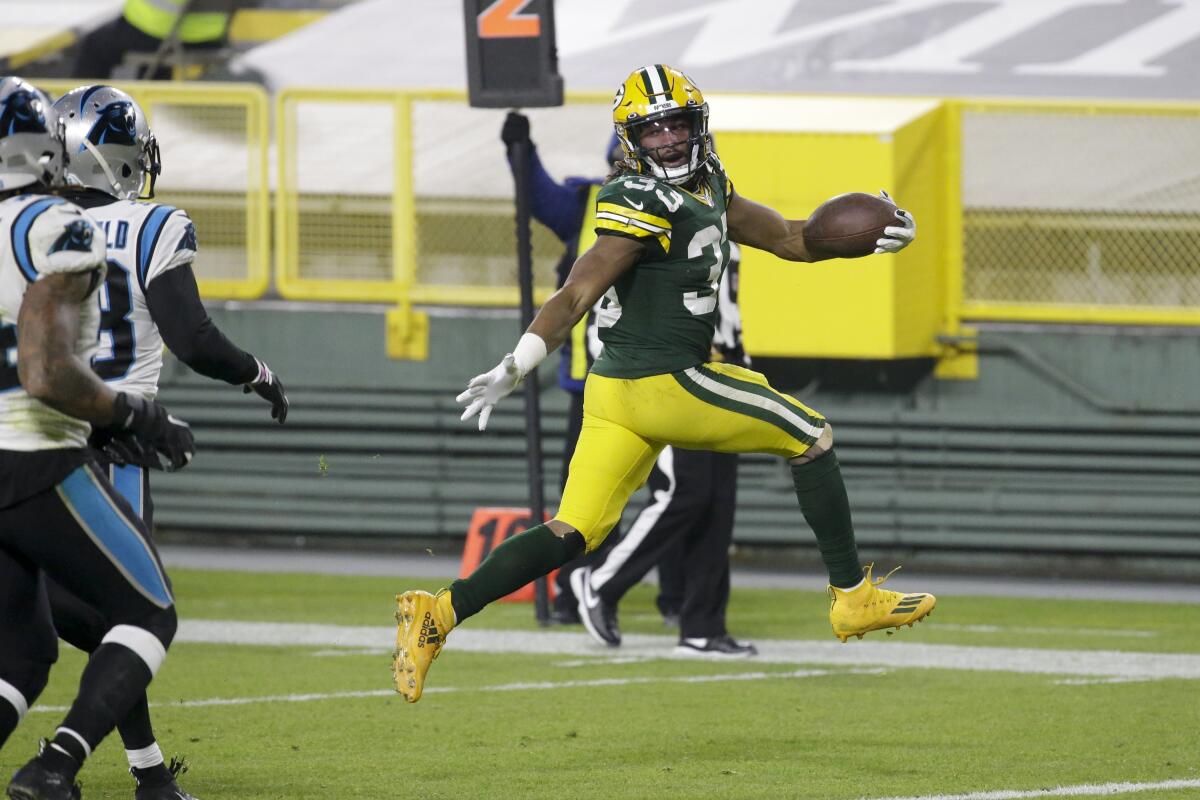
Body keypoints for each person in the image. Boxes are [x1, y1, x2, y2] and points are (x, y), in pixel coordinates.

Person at [393, 64, 933, 704]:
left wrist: (868, 239)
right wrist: (518, 362)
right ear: (630, 140)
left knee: (575, 532)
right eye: (653, 132)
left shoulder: (708, 183)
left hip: (615, 394)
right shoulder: (635, 199)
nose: (670, 141)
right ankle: (853, 599)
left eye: (677, 124)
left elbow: (790, 237)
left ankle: (439, 613)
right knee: (810, 435)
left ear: (696, 124)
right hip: (664, 380)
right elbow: (577, 291)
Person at [39, 83, 289, 800]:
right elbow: (193, 339)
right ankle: (110, 770)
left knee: (46, 615)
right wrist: (257, 374)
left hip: (23, 433)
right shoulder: (152, 225)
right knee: (132, 612)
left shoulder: (25, 222)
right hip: (111, 443)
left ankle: (142, 771)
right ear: (112, 155)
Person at [0, 76, 195, 799]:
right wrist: (138, 417)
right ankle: (57, 767)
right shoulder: (52, 226)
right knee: (147, 610)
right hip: (35, 452)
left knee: (22, 656)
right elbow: (48, 373)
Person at [569, 241, 758, 658]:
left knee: (717, 502)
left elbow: (726, 307)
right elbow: (600, 308)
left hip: (719, 372)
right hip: (662, 372)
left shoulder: (722, 220)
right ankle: (601, 583)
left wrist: (739, 361)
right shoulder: (639, 225)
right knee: (684, 490)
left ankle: (703, 627)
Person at [74, 0, 231, 80]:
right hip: (209, 38)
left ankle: (82, 118)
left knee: (94, 44)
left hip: (158, 31)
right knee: (155, 63)